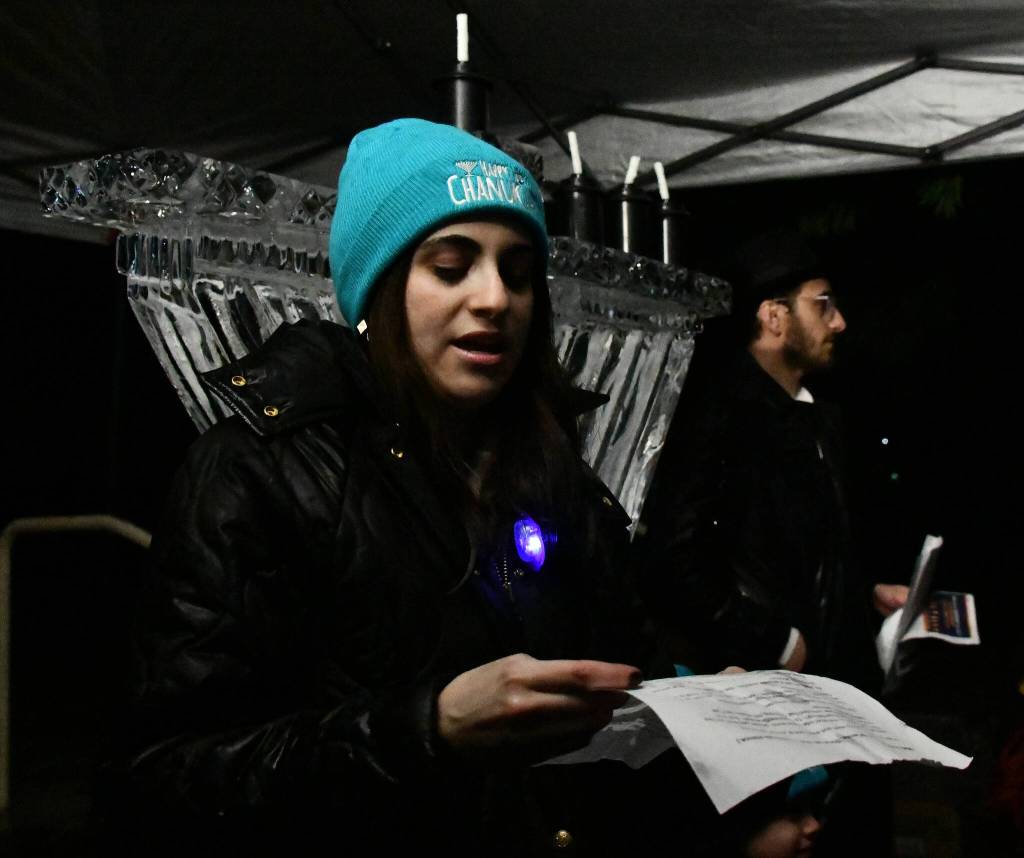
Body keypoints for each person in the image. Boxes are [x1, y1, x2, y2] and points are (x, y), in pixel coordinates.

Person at [108, 118, 753, 856]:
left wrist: (695, 718)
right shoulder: (257, 472)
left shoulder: (554, 469)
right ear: (382, 287)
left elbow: (614, 680)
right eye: (451, 266)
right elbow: (162, 775)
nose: (495, 298)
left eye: (518, 272)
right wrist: (430, 727)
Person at [639, 229, 907, 691]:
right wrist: (775, 641)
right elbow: (676, 560)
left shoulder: (815, 417)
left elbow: (800, 556)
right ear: (774, 316)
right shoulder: (720, 418)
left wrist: (863, 597)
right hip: (772, 696)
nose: (839, 322)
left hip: (834, 692)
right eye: (822, 304)